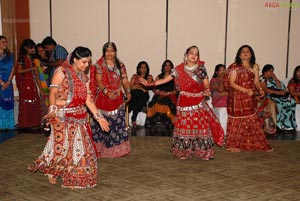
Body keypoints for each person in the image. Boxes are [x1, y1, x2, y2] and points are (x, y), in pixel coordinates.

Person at [28, 46, 110, 189]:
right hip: (62, 116)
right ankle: (53, 171)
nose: (86, 65)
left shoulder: (83, 76)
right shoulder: (61, 71)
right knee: (60, 148)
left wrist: (99, 117)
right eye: (83, 62)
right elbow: (52, 93)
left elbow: (88, 99)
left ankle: (75, 177)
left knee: (79, 149)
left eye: (88, 62)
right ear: (75, 59)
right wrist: (53, 110)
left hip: (79, 116)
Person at [140, 45, 224, 160]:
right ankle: (183, 151)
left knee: (200, 126)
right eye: (191, 53)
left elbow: (206, 82)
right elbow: (165, 80)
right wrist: (150, 84)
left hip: (198, 101)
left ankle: (202, 152)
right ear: (186, 55)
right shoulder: (178, 70)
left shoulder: (200, 68)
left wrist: (207, 90)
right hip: (184, 102)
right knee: (184, 126)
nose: (194, 55)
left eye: (196, 54)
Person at [222, 45, 272, 152]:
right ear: (239, 55)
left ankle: (252, 143)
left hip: (249, 98)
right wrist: (245, 90)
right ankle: (232, 145)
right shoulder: (235, 67)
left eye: (248, 52)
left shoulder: (254, 67)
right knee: (237, 121)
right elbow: (231, 83)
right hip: (236, 98)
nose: (245, 53)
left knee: (251, 120)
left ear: (251, 54)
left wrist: (260, 90)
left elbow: (256, 82)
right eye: (243, 52)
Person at [90, 42, 131, 158]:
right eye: (107, 51)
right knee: (102, 125)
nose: (109, 53)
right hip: (103, 98)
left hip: (117, 97)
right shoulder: (99, 65)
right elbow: (98, 81)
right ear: (104, 52)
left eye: (112, 51)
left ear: (115, 52)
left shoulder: (120, 65)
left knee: (117, 124)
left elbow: (125, 79)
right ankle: (100, 149)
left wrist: (128, 92)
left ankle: (117, 150)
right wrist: (107, 92)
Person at [260, 64, 296, 132]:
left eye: (272, 71)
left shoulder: (271, 79)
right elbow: (266, 90)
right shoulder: (262, 79)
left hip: (278, 95)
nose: (271, 73)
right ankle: (279, 125)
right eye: (270, 71)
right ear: (265, 71)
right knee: (281, 104)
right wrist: (278, 93)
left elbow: (280, 87)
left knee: (292, 102)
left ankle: (289, 125)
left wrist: (275, 79)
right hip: (270, 96)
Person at [15, 39, 43, 129]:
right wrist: (31, 69)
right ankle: (25, 124)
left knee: (34, 101)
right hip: (25, 83)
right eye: (30, 48)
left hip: (32, 83)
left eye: (33, 48)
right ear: (25, 47)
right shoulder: (22, 58)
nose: (32, 50)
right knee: (27, 103)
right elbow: (19, 71)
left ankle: (34, 123)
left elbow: (36, 73)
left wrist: (40, 88)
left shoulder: (32, 58)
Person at [145, 59, 177, 131]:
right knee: (153, 104)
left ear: (171, 67)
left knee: (167, 104)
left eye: (169, 65)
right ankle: (152, 124)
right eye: (166, 65)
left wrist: (167, 93)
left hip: (170, 95)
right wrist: (158, 92)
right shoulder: (159, 77)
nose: (167, 67)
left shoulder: (174, 78)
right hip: (159, 95)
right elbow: (153, 88)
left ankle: (168, 124)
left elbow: (176, 91)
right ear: (163, 67)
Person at [128, 61, 153, 128]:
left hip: (144, 95)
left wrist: (138, 86)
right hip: (134, 95)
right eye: (142, 68)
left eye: (145, 68)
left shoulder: (149, 77)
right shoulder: (135, 76)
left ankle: (131, 114)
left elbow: (146, 89)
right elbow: (130, 88)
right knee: (136, 95)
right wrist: (140, 87)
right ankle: (134, 119)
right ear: (139, 69)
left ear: (147, 69)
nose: (143, 69)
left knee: (138, 93)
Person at [0, 35, 15, 130]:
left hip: (8, 83)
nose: (5, 44)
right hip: (0, 83)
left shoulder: (10, 55)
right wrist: (2, 83)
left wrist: (8, 81)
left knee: (8, 103)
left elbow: (13, 68)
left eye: (6, 42)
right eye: (2, 42)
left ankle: (8, 126)